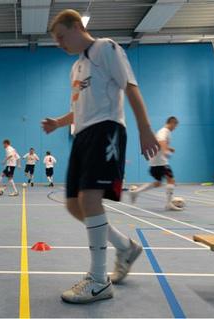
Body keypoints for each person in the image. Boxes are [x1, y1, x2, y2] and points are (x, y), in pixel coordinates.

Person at [42, 9, 159, 304]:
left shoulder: (106, 48)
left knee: (90, 201)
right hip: (81, 136)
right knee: (73, 205)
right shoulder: (76, 68)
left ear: (77, 27)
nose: (59, 44)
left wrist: (145, 129)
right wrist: (59, 122)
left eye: (61, 37)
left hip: (106, 129)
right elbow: (80, 107)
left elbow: (130, 88)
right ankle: (126, 247)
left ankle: (98, 280)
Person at [130, 116, 183, 211]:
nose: (175, 128)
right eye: (175, 125)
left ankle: (136, 192)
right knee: (171, 180)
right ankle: (168, 204)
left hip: (155, 162)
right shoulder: (164, 131)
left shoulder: (162, 131)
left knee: (158, 183)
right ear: (172, 122)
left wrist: (169, 148)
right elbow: (161, 141)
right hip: (161, 162)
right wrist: (166, 151)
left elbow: (159, 143)